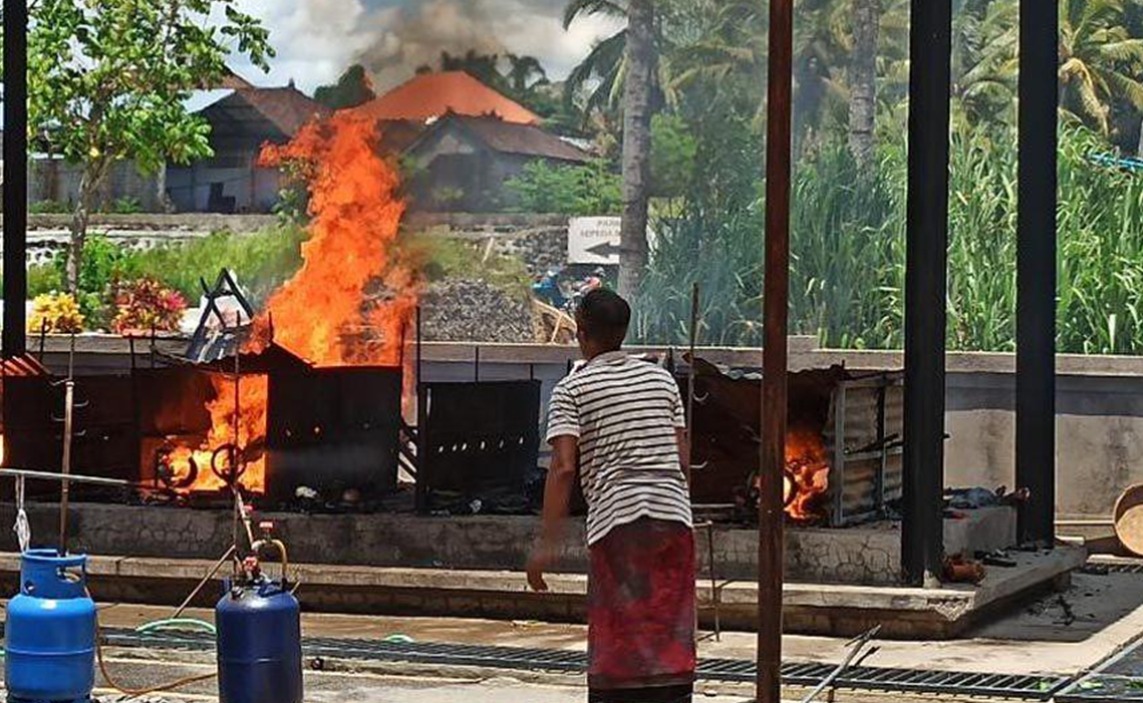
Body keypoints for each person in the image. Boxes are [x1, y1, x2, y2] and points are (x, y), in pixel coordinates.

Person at [527, 289, 695, 703]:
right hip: (675, 520)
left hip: (618, 523)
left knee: (618, 635)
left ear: (581, 333)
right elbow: (682, 459)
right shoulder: (661, 379)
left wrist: (546, 546)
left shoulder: (572, 389)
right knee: (668, 625)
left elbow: (564, 467)